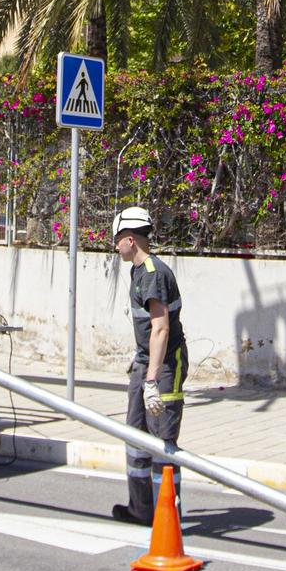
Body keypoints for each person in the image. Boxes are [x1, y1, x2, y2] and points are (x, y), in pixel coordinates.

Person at [110, 205, 187, 525]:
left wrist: (152, 381)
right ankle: (141, 510)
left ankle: (167, 515)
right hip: (146, 361)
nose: (115, 247)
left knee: (162, 443)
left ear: (130, 240)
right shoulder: (138, 271)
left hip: (165, 365)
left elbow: (161, 328)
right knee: (136, 436)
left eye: (117, 241)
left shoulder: (154, 274)